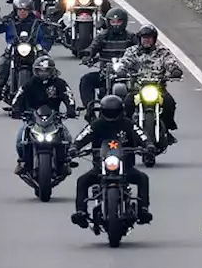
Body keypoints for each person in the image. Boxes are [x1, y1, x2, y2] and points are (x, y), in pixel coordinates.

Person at [69, 94, 152, 227]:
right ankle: (81, 212)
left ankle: (143, 210)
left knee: (143, 179)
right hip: (100, 167)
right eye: (109, 112)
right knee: (82, 181)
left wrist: (149, 145)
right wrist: (74, 147)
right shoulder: (96, 124)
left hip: (125, 167)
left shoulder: (128, 124)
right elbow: (83, 136)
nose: (111, 115)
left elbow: (141, 134)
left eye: (114, 112)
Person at [0, 0, 58, 100]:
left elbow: (48, 34)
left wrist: (49, 30)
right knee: (3, 62)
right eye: (20, 9)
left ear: (30, 10)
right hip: (14, 47)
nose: (22, 12)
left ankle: (54, 90)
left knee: (47, 63)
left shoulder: (37, 21)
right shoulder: (9, 19)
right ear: (15, 9)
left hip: (34, 48)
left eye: (25, 9)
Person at [10, 55, 77, 174]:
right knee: (21, 138)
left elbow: (68, 96)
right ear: (35, 71)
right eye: (40, 70)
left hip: (54, 118)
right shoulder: (30, 83)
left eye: (46, 70)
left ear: (52, 71)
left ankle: (65, 162)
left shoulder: (59, 83)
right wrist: (15, 109)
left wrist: (71, 110)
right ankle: (23, 161)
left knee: (67, 138)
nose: (43, 73)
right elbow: (19, 95)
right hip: (33, 118)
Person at [113, 24, 183, 136]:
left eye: (149, 37)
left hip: (158, 88)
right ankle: (125, 130)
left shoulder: (162, 51)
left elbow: (170, 62)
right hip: (137, 88)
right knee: (127, 104)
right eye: (144, 38)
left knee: (169, 103)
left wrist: (175, 70)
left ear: (154, 39)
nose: (147, 40)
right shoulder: (132, 51)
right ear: (140, 39)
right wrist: (121, 70)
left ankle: (167, 129)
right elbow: (125, 61)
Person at [78, 6, 136, 106]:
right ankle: (90, 110)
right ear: (108, 22)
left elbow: (139, 50)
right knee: (86, 80)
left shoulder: (131, 37)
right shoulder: (102, 36)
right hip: (105, 74)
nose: (116, 25)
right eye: (113, 22)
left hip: (127, 75)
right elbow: (93, 47)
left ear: (124, 22)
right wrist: (87, 54)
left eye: (118, 22)